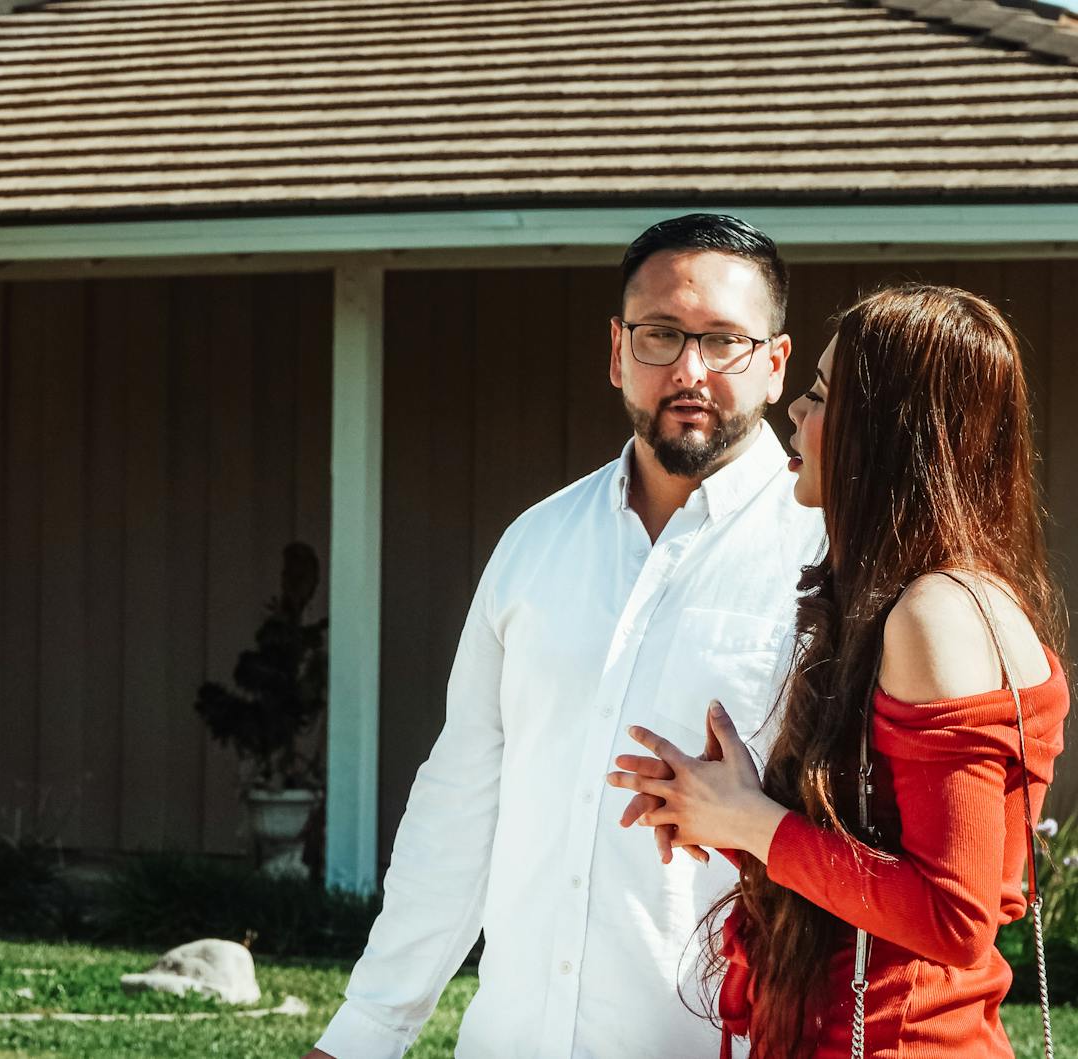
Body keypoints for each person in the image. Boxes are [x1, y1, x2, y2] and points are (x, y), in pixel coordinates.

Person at [306, 213, 826, 1058]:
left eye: (724, 341)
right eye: (661, 335)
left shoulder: (828, 556)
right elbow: (460, 804)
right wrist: (364, 1033)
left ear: (774, 365)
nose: (690, 370)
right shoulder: (535, 545)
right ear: (618, 351)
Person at [610, 284, 1068, 1057]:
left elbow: (954, 920)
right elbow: (874, 844)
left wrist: (752, 822)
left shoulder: (937, 614)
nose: (795, 410)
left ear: (886, 433)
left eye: (821, 394)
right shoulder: (929, 596)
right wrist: (725, 809)